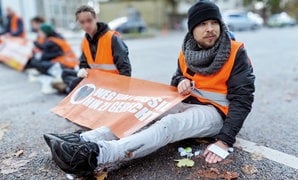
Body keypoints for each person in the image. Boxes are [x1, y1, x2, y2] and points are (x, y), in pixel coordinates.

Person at [44, 1, 255, 177]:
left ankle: (101, 154)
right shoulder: (188, 51)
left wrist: (225, 140)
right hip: (188, 101)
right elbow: (176, 79)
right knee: (144, 109)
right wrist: (181, 80)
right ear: (192, 30)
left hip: (217, 112)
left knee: (169, 124)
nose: (210, 29)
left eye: (213, 23)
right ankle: (86, 139)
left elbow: (243, 99)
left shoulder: (236, 53)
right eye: (203, 24)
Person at [54, 5, 131, 93]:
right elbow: (84, 63)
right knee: (66, 73)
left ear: (96, 19)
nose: (86, 25)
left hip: (113, 83)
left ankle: (66, 89)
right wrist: (82, 69)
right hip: (96, 79)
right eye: (82, 22)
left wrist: (123, 91)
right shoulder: (85, 41)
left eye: (89, 20)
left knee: (73, 85)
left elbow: (125, 68)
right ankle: (67, 88)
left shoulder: (112, 38)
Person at [25, 23, 78, 93]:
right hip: (69, 64)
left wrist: (36, 47)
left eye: (41, 32)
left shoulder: (51, 42)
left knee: (38, 64)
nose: (39, 33)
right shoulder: (56, 38)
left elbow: (44, 57)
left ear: (45, 32)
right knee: (38, 62)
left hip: (65, 65)